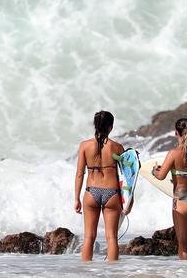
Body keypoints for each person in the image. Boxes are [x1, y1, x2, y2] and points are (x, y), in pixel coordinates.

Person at [74, 110, 130, 261]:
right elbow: (128, 177)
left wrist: (77, 198)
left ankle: (85, 273)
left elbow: (80, 174)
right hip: (112, 193)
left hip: (91, 192)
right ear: (110, 127)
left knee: (89, 237)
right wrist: (129, 199)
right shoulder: (117, 147)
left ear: (95, 125)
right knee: (111, 237)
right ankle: (112, 274)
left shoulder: (84, 146)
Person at [151, 118, 187, 260]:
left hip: (183, 200)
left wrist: (154, 171)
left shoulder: (173, 153)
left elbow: (161, 176)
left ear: (176, 133)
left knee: (183, 244)